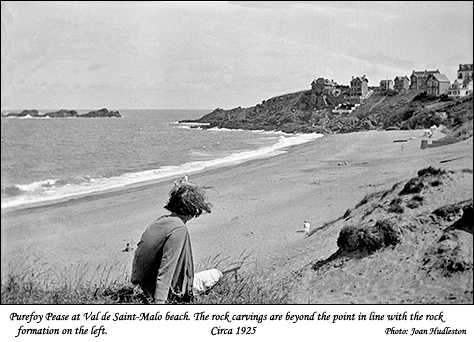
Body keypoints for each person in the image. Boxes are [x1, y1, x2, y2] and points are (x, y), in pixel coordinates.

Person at [131, 179, 216, 304]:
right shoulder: (179, 229)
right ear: (194, 209)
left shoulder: (161, 221)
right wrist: (159, 301)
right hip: (159, 290)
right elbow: (167, 268)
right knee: (216, 274)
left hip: (142, 285)